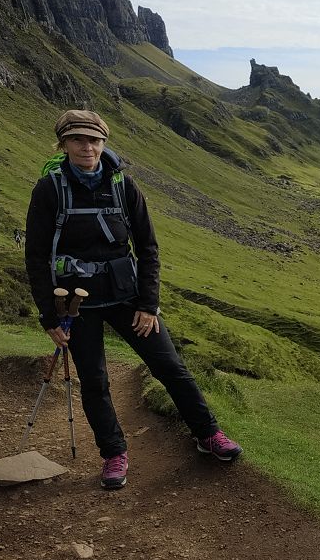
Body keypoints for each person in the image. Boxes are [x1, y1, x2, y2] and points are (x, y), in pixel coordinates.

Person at [25, 110, 242, 490]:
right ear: (63, 144)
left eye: (94, 140)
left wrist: (148, 304)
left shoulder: (124, 186)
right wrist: (49, 317)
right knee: (94, 381)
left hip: (129, 298)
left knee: (170, 367)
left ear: (103, 143)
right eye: (77, 139)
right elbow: (36, 256)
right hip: (78, 306)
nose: (87, 147)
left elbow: (148, 247)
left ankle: (208, 434)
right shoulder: (49, 190)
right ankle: (113, 454)